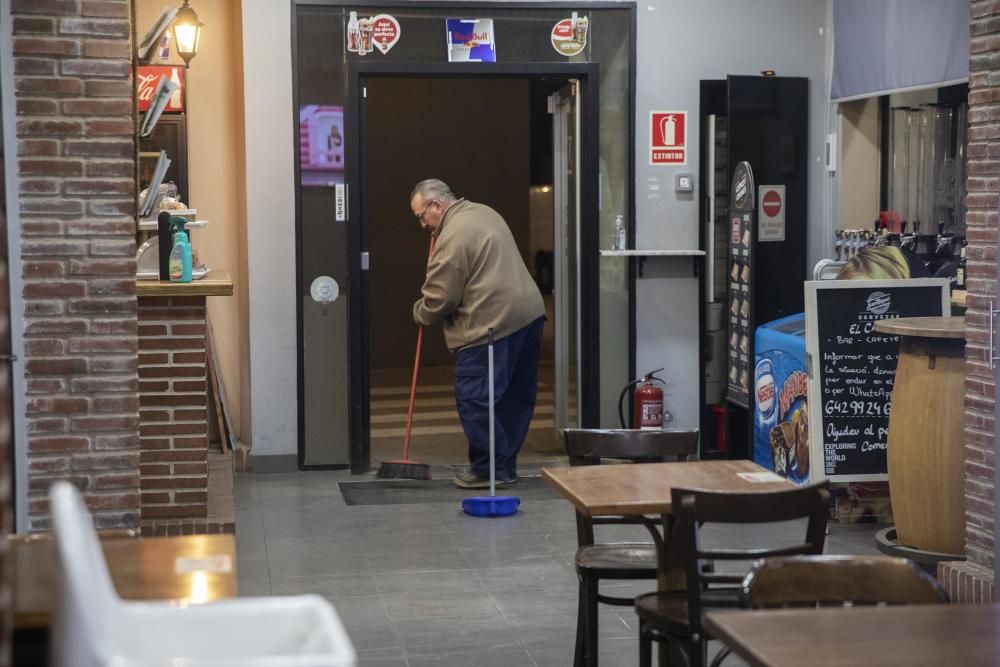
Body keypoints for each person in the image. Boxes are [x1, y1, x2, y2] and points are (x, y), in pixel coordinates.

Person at [410, 179, 546, 488]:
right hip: (528, 317)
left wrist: (420, 311)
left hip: (490, 324)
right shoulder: (484, 212)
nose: (422, 224)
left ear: (437, 206)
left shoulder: (453, 234)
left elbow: (442, 296)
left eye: (421, 216)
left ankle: (488, 470)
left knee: (476, 398)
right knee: (514, 398)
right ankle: (504, 467)